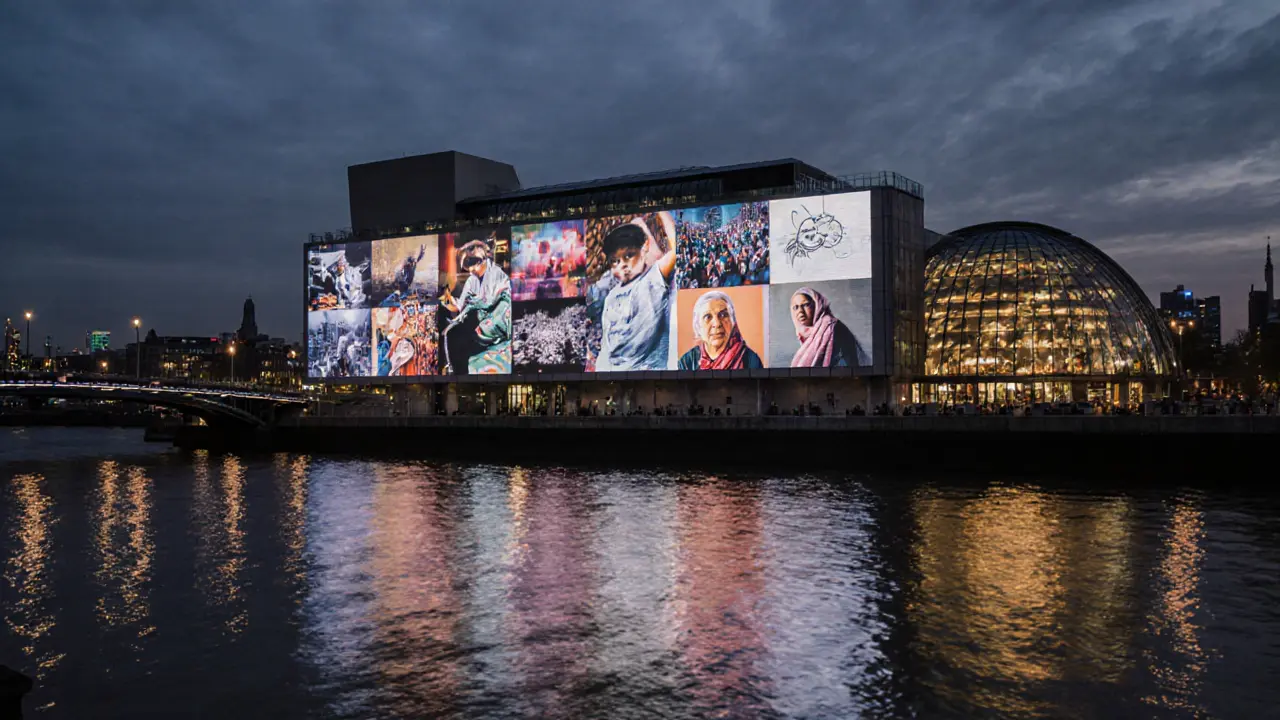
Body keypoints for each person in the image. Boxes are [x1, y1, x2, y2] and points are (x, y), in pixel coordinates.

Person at [596, 215, 677, 371]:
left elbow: (676, 249)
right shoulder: (611, 296)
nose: (623, 266)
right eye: (615, 261)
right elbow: (606, 347)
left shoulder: (652, 279)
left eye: (628, 256)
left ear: (644, 247)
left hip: (650, 376)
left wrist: (661, 210)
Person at [439, 239, 511, 374]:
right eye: (468, 266)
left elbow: (492, 301)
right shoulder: (472, 280)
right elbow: (460, 306)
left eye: (473, 264)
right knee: (452, 334)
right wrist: (447, 301)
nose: (471, 269)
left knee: (467, 337)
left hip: (499, 320)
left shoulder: (497, 274)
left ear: (481, 259)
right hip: (480, 321)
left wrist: (475, 303)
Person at [678, 291, 764, 370]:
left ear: (733, 322)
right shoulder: (687, 362)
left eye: (723, 315)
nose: (717, 323)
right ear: (698, 326)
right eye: (708, 317)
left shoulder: (750, 359)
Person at [787, 287, 870, 367]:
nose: (800, 311)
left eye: (805, 305)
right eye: (796, 307)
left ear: (817, 305)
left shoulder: (832, 327)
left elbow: (848, 363)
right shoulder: (807, 332)